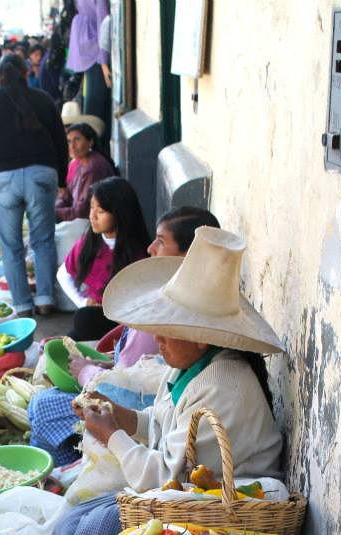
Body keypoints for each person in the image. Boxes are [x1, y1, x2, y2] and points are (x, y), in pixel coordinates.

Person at [49, 226, 284, 535]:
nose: (157, 339)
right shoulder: (189, 366)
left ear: (200, 337)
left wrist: (112, 435)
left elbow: (163, 477)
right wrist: (115, 413)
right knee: (70, 522)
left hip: (226, 512)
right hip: (181, 496)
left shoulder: (222, 386)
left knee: (90, 534)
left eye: (167, 331)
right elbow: (161, 423)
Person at [29, 206, 219, 465]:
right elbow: (156, 420)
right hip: (141, 410)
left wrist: (111, 432)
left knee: (43, 406)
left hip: (150, 432)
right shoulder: (181, 366)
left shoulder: (212, 384)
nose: (151, 248)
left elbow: (169, 470)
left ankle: (58, 466)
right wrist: (110, 405)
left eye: (161, 241)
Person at [0, 53, 69, 318]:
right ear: (26, 74)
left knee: (10, 245)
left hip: (2, 179)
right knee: (43, 240)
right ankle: (45, 298)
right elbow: (61, 141)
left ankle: (22, 304)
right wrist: (62, 178)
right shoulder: (43, 99)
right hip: (41, 175)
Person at [58, 176, 150, 339]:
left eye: (100, 211)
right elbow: (63, 274)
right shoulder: (88, 242)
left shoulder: (138, 253)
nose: (92, 216)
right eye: (91, 207)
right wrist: (82, 302)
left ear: (119, 213)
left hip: (124, 325)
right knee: (79, 326)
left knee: (84, 319)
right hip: (95, 316)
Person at [66, 1, 111, 140]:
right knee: (93, 115)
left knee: (93, 117)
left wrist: (104, 62)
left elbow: (104, 23)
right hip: (89, 55)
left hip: (95, 56)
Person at [55, 122, 114, 222]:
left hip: (93, 222)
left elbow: (81, 212)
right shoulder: (80, 162)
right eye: (69, 141)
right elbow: (67, 196)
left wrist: (52, 212)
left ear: (90, 142)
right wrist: (53, 209)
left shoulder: (93, 168)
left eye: (77, 139)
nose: (72, 146)